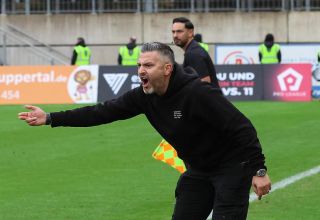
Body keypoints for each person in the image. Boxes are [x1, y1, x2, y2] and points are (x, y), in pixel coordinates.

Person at [18, 42, 271, 220]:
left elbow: (242, 127)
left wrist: (258, 170)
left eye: (148, 65)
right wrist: (50, 117)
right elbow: (101, 112)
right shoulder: (143, 96)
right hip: (198, 171)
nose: (141, 70)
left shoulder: (197, 93)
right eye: (140, 64)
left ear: (167, 69)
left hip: (231, 168)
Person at [172, 17, 219, 88]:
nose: (175, 35)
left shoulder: (193, 53)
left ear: (190, 33)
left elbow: (205, 84)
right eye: (173, 32)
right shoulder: (193, 50)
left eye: (179, 31)